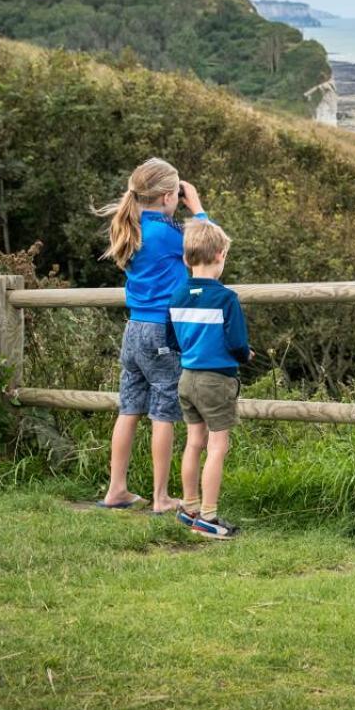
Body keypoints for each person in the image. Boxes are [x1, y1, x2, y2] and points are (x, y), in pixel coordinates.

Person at [93, 158, 210, 513]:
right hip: (163, 331)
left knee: (128, 410)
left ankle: (117, 489)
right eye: (176, 194)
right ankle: (161, 497)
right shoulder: (168, 233)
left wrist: (181, 204)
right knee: (163, 413)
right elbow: (211, 249)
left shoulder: (130, 226)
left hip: (134, 330)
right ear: (165, 197)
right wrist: (199, 208)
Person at [169, 220, 247, 539]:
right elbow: (238, 343)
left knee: (193, 442)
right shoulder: (226, 298)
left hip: (186, 378)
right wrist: (245, 356)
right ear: (220, 255)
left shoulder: (177, 295)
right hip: (216, 380)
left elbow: (172, 340)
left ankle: (190, 508)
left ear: (187, 259)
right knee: (217, 446)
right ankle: (210, 517)